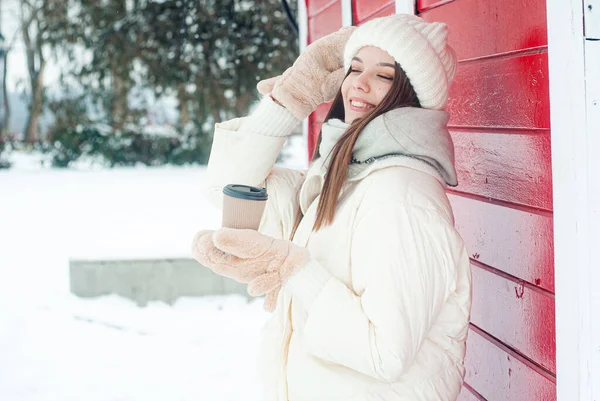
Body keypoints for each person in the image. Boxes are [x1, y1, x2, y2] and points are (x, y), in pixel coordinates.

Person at [192, 14, 472, 401]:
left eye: (384, 75)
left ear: (411, 94)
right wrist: (289, 99)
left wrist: (293, 268)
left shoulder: (401, 195)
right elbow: (230, 188)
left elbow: (384, 352)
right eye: (354, 68)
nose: (359, 82)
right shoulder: (342, 179)